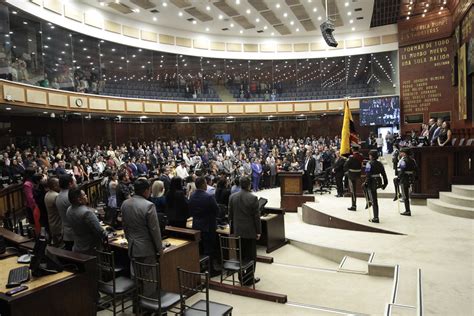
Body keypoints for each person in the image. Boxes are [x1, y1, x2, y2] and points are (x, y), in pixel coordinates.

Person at [121, 179, 163, 295]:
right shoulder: (149, 205)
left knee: (136, 278)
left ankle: (137, 305)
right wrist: (160, 249)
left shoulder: (125, 203)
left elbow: (124, 226)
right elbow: (155, 230)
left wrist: (130, 241)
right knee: (149, 280)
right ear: (146, 191)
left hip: (133, 246)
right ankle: (148, 307)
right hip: (146, 249)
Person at [228, 176, 261, 286]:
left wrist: (232, 230)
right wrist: (258, 231)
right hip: (249, 231)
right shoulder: (253, 198)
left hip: (238, 231)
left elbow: (230, 216)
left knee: (240, 255)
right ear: (249, 185)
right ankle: (249, 278)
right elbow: (256, 218)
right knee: (251, 256)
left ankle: (241, 277)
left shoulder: (232, 197)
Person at [189, 176, 220, 276]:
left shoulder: (192, 195)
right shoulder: (209, 197)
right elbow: (217, 211)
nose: (207, 185)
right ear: (202, 184)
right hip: (208, 226)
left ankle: (202, 268)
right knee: (209, 249)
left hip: (196, 225)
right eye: (206, 183)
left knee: (201, 248)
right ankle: (211, 271)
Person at [66, 187, 107, 255]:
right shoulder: (87, 213)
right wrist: (106, 234)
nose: (86, 196)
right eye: (84, 195)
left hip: (78, 245)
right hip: (90, 248)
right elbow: (99, 231)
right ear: (79, 200)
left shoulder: (68, 210)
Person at [363, 150, 388, 223]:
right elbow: (384, 174)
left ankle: (375, 217)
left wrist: (366, 182)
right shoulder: (380, 163)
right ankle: (369, 201)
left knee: (374, 200)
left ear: (371, 156)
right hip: (378, 181)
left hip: (371, 182)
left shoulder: (369, 163)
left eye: (369, 155)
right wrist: (385, 183)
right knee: (375, 200)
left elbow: (368, 175)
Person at [394, 147, 417, 216]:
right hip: (410, 178)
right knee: (406, 195)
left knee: (405, 196)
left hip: (404, 179)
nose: (400, 153)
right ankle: (407, 210)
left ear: (404, 153)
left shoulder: (404, 161)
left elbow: (402, 171)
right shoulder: (413, 160)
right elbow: (416, 169)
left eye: (402, 152)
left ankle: (407, 210)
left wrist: (398, 177)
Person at [56, 174, 76, 250]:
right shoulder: (69, 196)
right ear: (70, 184)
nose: (75, 182)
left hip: (66, 231)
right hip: (73, 233)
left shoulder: (59, 195)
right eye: (74, 181)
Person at [44, 176, 63, 247]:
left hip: (52, 223)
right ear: (54, 186)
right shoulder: (56, 196)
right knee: (61, 246)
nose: (60, 185)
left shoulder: (47, 194)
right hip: (58, 225)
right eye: (58, 183)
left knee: (56, 244)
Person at [344, 144, 363, 211]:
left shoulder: (351, 157)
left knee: (353, 191)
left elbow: (345, 166)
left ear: (352, 149)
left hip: (352, 175)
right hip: (359, 174)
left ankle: (354, 205)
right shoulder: (361, 156)